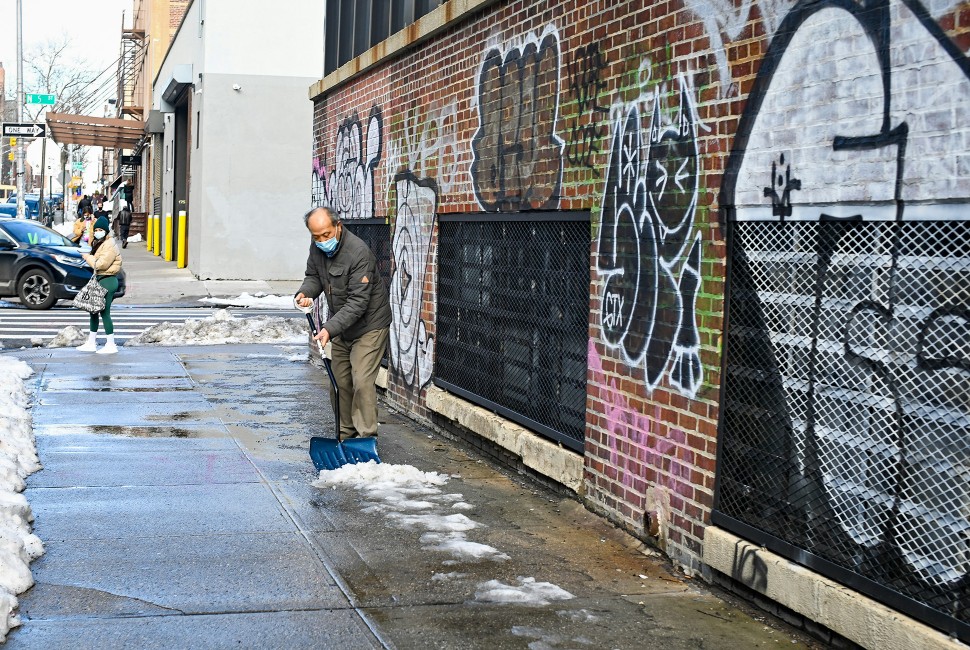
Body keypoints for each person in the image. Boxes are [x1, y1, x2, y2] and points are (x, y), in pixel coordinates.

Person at [295, 207, 391, 443]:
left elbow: (358, 302)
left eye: (326, 235)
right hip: (342, 326)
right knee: (339, 382)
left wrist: (329, 329)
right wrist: (305, 293)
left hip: (369, 326)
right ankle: (345, 437)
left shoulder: (358, 252)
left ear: (338, 226)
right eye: (316, 237)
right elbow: (314, 276)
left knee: (361, 381)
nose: (321, 241)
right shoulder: (317, 246)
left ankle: (365, 439)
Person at [76, 215, 123, 355]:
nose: (98, 232)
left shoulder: (109, 245)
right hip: (101, 279)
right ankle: (91, 342)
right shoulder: (100, 243)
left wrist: (87, 257)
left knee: (104, 312)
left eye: (101, 229)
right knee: (93, 311)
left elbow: (101, 264)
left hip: (108, 280)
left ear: (106, 231)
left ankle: (111, 344)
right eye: (96, 230)